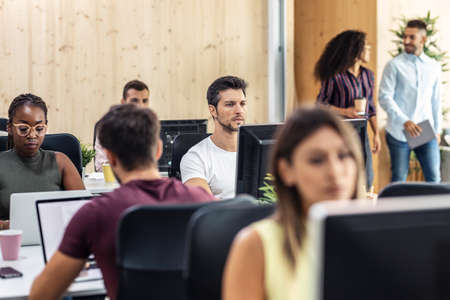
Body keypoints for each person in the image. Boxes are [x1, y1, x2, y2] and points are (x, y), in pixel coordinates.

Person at [29, 104, 214, 300]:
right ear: (158, 149)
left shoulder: (95, 214)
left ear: (110, 157)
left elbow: (41, 295)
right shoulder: (203, 203)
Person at [222, 107, 366, 300]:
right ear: (286, 171)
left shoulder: (375, 241)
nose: (335, 172)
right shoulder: (255, 246)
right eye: (317, 160)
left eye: (343, 156)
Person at [0, 94, 84, 226]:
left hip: (55, 241)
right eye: (23, 129)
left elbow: (83, 213)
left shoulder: (61, 162)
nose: (32, 135)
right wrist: (6, 226)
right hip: (9, 241)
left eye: (39, 129)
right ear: (10, 128)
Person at [315, 29, 379, 190]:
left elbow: (370, 106)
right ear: (355, 50)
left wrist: (376, 134)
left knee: (367, 177)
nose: (369, 50)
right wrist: (345, 111)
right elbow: (320, 104)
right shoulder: (335, 75)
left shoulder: (368, 75)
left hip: (362, 132)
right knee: (346, 177)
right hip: (341, 132)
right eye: (366, 47)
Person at [379, 19, 442, 182]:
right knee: (399, 179)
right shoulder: (394, 65)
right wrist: (404, 120)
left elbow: (435, 99)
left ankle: (434, 209)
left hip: (424, 130)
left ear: (423, 39)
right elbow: (384, 97)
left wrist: (437, 129)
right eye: (404, 37)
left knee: (434, 179)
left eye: (411, 37)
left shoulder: (433, 66)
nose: (406, 41)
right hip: (399, 130)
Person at [180, 75, 247, 199]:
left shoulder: (259, 151)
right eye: (230, 104)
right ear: (213, 110)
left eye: (242, 104)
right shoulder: (195, 158)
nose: (239, 110)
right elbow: (204, 203)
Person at [94, 79, 150, 171]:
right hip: (115, 182)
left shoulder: (151, 127)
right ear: (123, 102)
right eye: (134, 101)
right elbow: (102, 167)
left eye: (145, 101)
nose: (141, 106)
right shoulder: (107, 127)